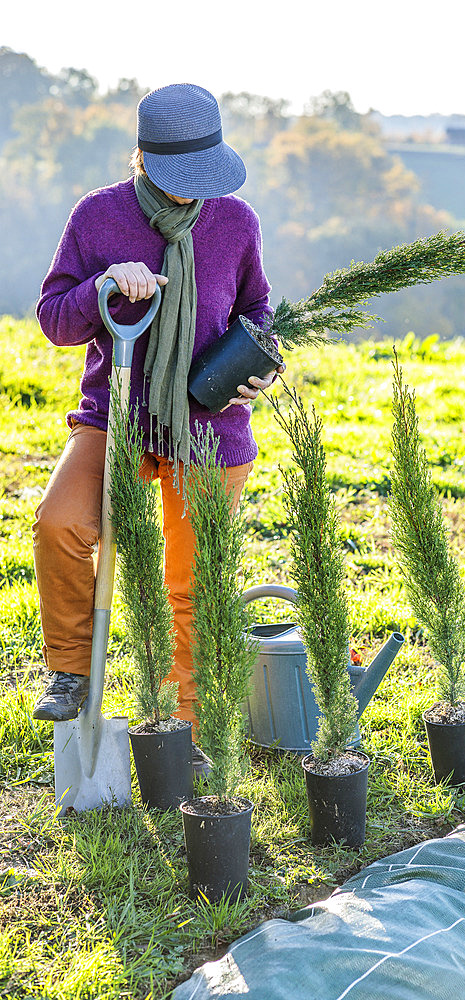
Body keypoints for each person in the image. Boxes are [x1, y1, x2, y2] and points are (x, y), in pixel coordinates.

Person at [31, 83, 283, 777]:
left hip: (210, 426)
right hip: (115, 417)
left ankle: (187, 729)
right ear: (141, 157)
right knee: (59, 523)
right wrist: (105, 284)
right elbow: (55, 318)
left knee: (192, 583)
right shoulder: (98, 216)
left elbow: (258, 310)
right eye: (176, 179)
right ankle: (69, 672)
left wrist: (262, 362)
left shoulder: (234, 221)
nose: (188, 195)